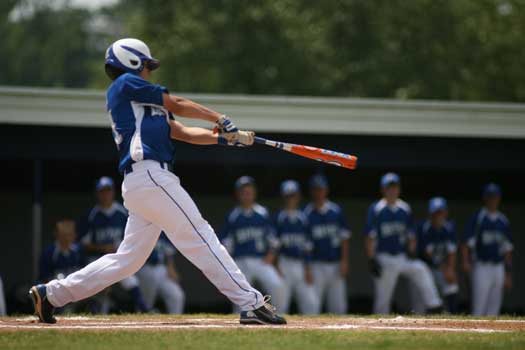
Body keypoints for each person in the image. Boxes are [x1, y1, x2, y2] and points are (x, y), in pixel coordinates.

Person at [29, 38, 285, 325]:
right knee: (200, 235)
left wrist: (226, 138)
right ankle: (250, 303)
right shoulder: (126, 84)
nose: (149, 71)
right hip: (150, 175)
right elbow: (177, 102)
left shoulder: (144, 105)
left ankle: (51, 294)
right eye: (147, 66)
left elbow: (184, 132)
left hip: (144, 184)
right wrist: (219, 117)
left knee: (127, 260)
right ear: (132, 63)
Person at [364, 172, 442, 314]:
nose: (392, 190)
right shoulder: (377, 209)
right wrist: (371, 259)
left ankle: (434, 306)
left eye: (395, 187)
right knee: (382, 301)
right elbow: (370, 236)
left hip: (402, 257)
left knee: (420, 268)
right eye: (389, 187)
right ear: (383, 190)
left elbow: (411, 235)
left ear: (399, 189)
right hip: (384, 258)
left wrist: (412, 251)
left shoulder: (404, 208)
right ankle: (379, 325)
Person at [80, 176, 149, 314]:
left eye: (108, 191)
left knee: (130, 281)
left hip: (119, 257)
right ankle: (96, 312)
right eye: (102, 191)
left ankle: (144, 311)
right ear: (97, 193)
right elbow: (84, 244)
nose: (105, 195)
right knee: (97, 286)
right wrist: (103, 248)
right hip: (98, 258)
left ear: (113, 192)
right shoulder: (92, 215)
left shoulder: (122, 212)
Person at [220, 176, 287, 313]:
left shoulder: (262, 213)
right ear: (238, 194)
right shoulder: (233, 216)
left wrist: (271, 256)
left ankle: (278, 315)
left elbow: (274, 240)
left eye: (249, 192)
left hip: (261, 260)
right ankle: (240, 320)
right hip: (240, 261)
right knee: (241, 296)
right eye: (243, 192)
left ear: (254, 193)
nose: (247, 195)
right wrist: (230, 264)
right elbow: (225, 244)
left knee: (278, 285)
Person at [462, 183, 513, 316]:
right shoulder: (478, 218)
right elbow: (466, 243)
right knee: (479, 307)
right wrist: (466, 261)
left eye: (495, 197)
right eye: (490, 197)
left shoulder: (503, 221)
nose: (493, 200)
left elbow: (507, 249)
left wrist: (508, 274)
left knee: (494, 308)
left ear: (499, 198)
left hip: (499, 267)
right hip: (481, 265)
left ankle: (490, 335)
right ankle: (474, 335)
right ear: (485, 198)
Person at [303, 174, 350, 314]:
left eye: (321, 189)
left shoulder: (336, 211)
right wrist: (308, 268)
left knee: (339, 306)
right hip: (317, 264)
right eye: (316, 190)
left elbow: (345, 238)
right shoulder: (307, 214)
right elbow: (306, 246)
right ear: (311, 192)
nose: (319, 193)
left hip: (335, 263)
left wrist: (344, 261)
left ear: (326, 190)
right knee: (313, 305)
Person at [274, 180, 319, 314]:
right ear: (283, 197)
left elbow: (308, 247)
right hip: (284, 263)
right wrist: (276, 267)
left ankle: (313, 334)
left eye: (293, 195)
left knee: (312, 304)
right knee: (280, 305)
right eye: (288, 196)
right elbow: (274, 246)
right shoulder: (279, 218)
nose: (290, 199)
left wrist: (308, 268)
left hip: (300, 265)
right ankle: (276, 333)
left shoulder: (303, 218)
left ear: (298, 196)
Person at [415, 197, 459, 313]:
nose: (438, 216)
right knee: (420, 305)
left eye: (441, 213)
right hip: (426, 267)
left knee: (452, 285)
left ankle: (452, 317)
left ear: (445, 213)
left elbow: (452, 251)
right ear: (430, 214)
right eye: (435, 213)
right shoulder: (423, 228)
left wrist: (450, 269)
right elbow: (427, 255)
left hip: (441, 267)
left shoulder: (449, 227)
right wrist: (445, 269)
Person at [136, 233, 185, 314]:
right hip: (145, 267)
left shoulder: (164, 229)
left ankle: (175, 322)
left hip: (162, 268)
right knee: (146, 302)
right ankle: (140, 323)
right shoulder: (141, 227)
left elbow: (169, 252)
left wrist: (171, 267)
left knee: (176, 295)